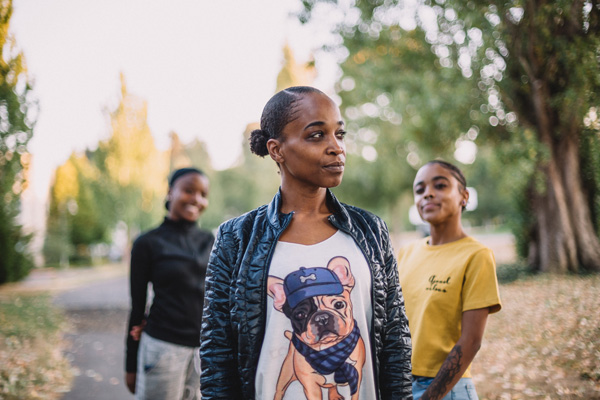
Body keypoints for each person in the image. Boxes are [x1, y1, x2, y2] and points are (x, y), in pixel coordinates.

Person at [200, 86, 413, 400]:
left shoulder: (370, 231)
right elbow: (217, 353)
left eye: (340, 134)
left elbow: (395, 342)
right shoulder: (236, 238)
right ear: (277, 150)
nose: (335, 148)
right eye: (317, 135)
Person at [397, 160, 502, 400]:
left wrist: (430, 396)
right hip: (399, 385)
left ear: (463, 196)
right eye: (419, 189)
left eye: (440, 185)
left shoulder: (477, 255)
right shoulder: (406, 253)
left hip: (447, 389)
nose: (428, 194)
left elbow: (472, 340)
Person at [125, 167, 215, 400]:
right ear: (170, 192)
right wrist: (131, 365)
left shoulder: (211, 241)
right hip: (163, 348)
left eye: (203, 194)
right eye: (188, 190)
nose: (196, 199)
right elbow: (137, 306)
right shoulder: (148, 243)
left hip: (204, 352)